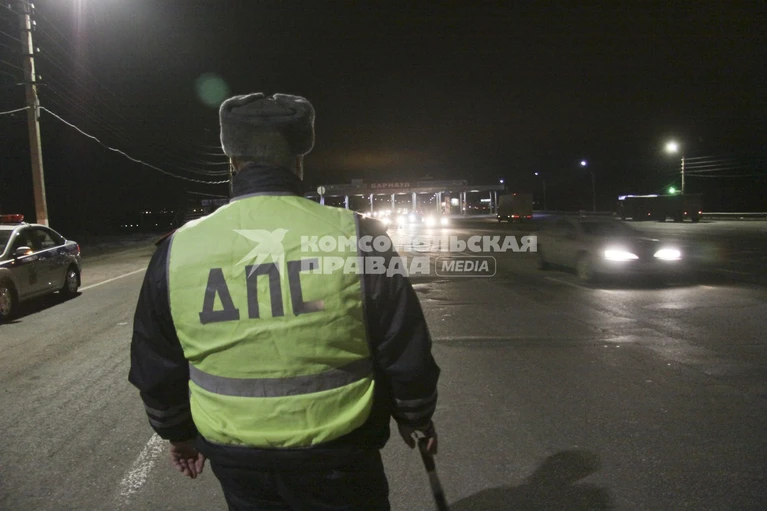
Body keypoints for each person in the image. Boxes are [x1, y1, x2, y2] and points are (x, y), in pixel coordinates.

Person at [129, 92, 440, 511]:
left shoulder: (178, 248)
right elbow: (403, 344)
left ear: (232, 161)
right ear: (299, 160)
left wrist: (177, 433)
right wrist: (415, 416)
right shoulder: (357, 235)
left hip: (237, 458)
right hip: (341, 451)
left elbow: (155, 360)